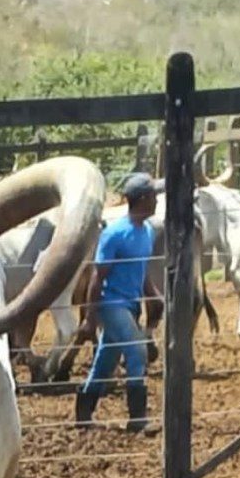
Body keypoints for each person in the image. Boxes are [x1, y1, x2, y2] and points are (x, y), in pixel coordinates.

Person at [74, 172, 161, 431]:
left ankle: (83, 414)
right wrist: (90, 318)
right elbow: (97, 277)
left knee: (105, 362)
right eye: (153, 196)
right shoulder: (115, 234)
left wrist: (152, 294)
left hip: (130, 305)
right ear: (143, 199)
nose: (157, 200)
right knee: (137, 352)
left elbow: (140, 270)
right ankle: (137, 419)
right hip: (112, 305)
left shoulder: (146, 231)